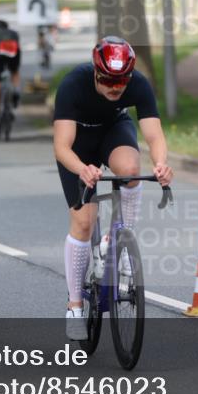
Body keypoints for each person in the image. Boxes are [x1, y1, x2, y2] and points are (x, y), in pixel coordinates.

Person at [52, 36, 173, 340]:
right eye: (107, 80)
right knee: (83, 221)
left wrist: (160, 164)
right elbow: (61, 146)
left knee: (132, 170)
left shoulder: (138, 84)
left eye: (121, 81)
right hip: (78, 146)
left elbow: (154, 136)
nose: (115, 87)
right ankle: (75, 304)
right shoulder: (72, 85)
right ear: (95, 72)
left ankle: (119, 238)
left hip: (112, 132)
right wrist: (82, 169)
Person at [0, 19, 21, 131]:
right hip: (13, 51)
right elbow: (17, 47)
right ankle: (16, 91)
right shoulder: (13, 33)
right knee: (14, 71)